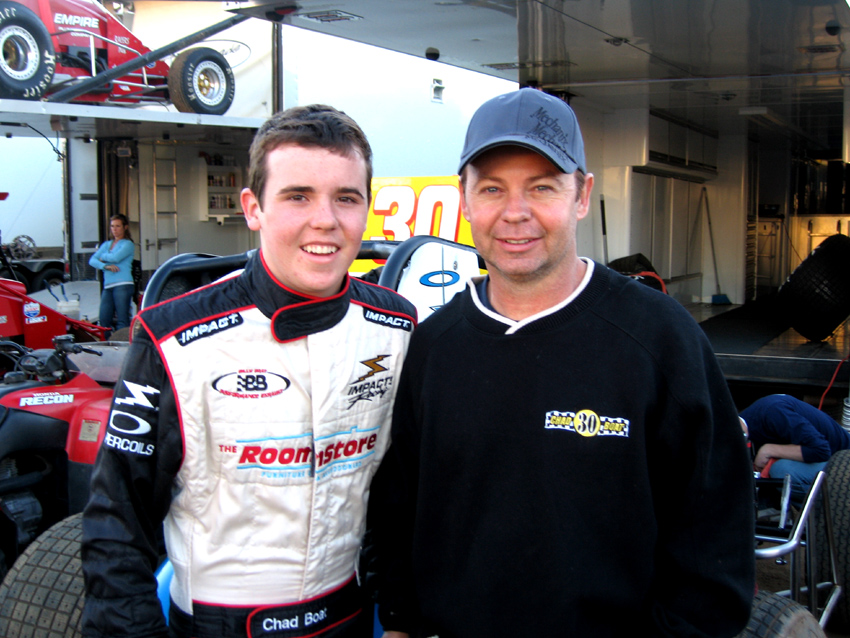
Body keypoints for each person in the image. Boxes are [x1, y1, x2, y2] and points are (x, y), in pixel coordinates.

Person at [368, 88, 755, 637]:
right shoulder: (432, 348)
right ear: (465, 200)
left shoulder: (660, 340)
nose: (515, 213)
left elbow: (715, 544)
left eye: (542, 187)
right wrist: (402, 623)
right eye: (493, 189)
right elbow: (398, 513)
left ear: (582, 195)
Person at [81, 104, 417, 638]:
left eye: (346, 198)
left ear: (366, 209)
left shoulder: (396, 327)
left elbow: (399, 501)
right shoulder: (172, 337)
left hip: (350, 620)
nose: (325, 220)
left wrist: (401, 618)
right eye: (298, 196)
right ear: (253, 208)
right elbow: (116, 524)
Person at [740, 393, 850, 499]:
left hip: (843, 463)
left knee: (781, 471)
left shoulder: (773, 413)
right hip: (830, 461)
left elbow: (821, 450)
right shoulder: (748, 422)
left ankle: (835, 506)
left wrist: (769, 450)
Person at [89, 213, 135, 337]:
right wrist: (105, 266)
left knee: (122, 318)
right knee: (104, 318)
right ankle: (107, 343)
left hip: (123, 283)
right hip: (108, 285)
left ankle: (122, 342)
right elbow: (92, 260)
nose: (114, 229)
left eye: (118, 226)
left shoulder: (128, 244)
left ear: (125, 227)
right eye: (112, 226)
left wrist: (102, 257)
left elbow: (115, 258)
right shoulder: (107, 244)